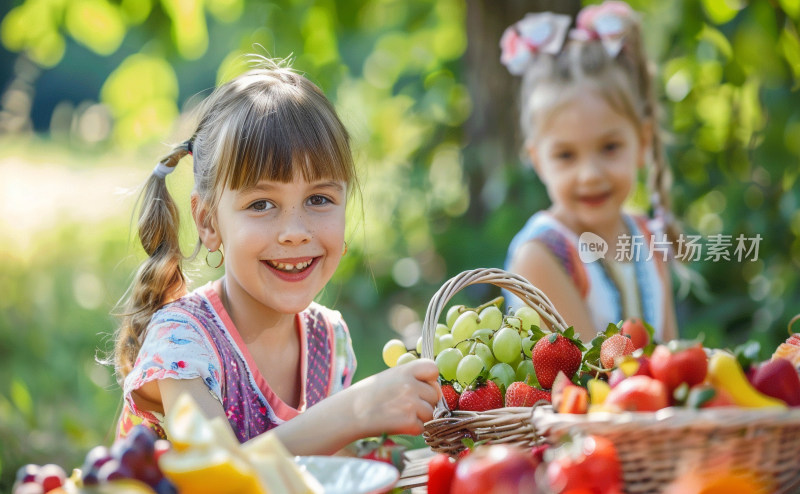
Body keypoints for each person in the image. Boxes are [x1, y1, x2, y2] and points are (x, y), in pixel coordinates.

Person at [111, 57, 441, 455]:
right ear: (208, 222)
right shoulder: (183, 342)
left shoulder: (328, 340)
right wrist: (354, 411)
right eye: (262, 204)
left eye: (319, 199)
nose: (295, 233)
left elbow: (323, 477)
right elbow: (215, 478)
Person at [500, 2, 679, 344]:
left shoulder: (649, 238)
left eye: (610, 147)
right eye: (566, 155)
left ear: (642, 142)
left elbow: (672, 359)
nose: (590, 175)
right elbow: (590, 379)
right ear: (538, 161)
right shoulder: (542, 255)